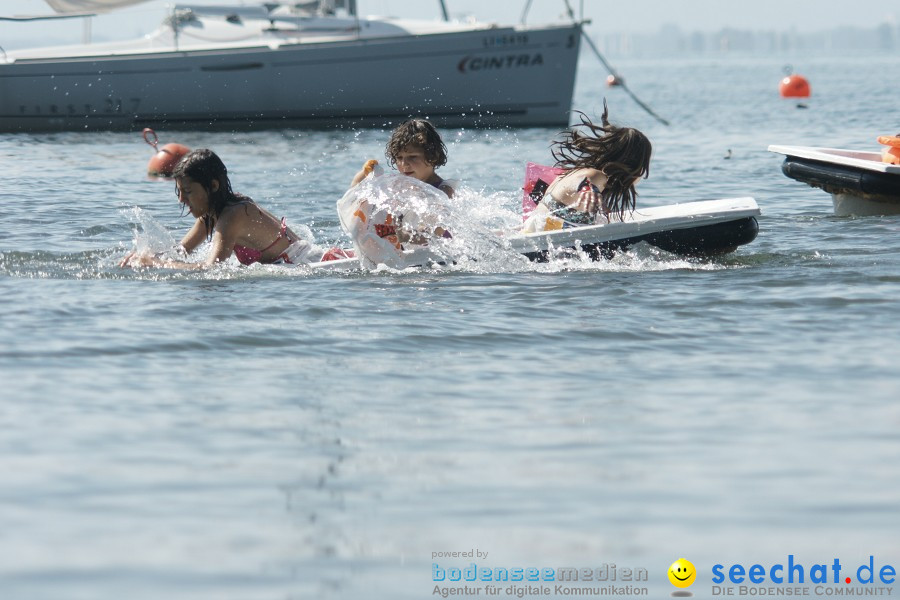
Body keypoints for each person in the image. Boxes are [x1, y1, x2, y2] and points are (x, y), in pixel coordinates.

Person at [120, 148, 328, 269]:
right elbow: (181, 252)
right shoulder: (211, 215)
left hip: (317, 263)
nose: (181, 199)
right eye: (179, 191)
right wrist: (145, 255)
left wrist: (156, 264)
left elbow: (212, 269)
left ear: (213, 186)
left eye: (188, 192)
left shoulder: (233, 214)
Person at [523, 100, 651, 232]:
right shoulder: (596, 175)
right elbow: (585, 180)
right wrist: (587, 189)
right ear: (632, 165)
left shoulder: (570, 173)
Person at [347, 118, 457, 247]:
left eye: (413, 157)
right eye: (399, 158)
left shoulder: (443, 190)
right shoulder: (398, 185)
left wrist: (397, 234)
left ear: (433, 156)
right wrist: (365, 174)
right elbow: (355, 193)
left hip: (437, 253)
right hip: (402, 248)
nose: (404, 164)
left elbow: (432, 231)